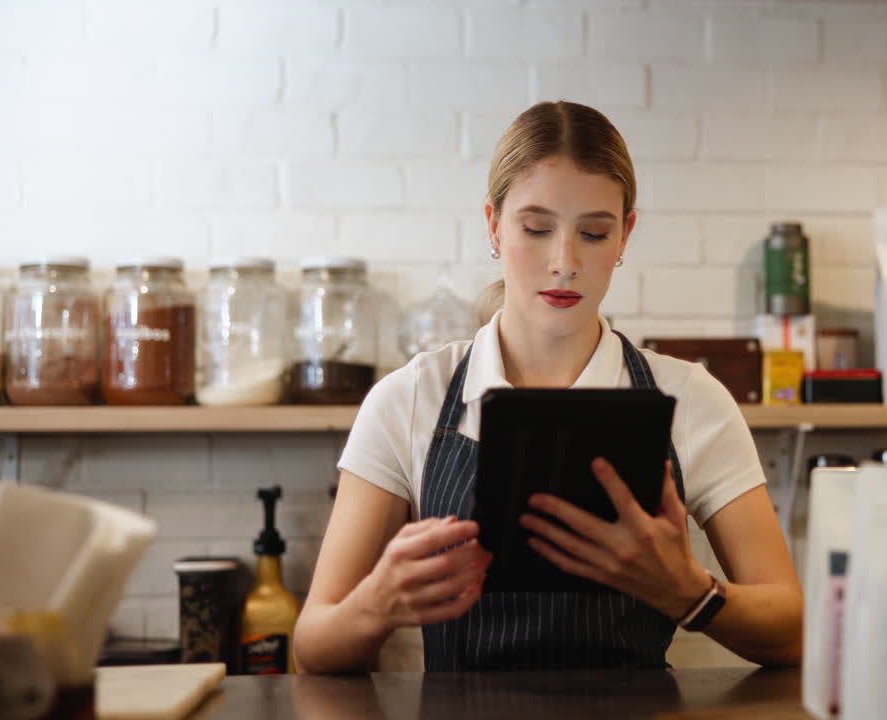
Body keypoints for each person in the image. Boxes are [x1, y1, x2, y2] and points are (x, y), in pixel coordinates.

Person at [294, 101, 802, 673]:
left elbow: (791, 632)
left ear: (625, 236)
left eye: (594, 232)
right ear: (493, 225)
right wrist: (376, 605)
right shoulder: (410, 399)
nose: (564, 262)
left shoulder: (692, 401)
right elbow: (312, 647)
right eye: (536, 229)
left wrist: (691, 593)